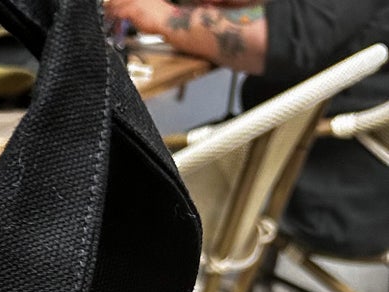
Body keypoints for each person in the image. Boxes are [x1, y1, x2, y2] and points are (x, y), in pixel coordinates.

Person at [103, 0, 389, 255]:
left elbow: (277, 41)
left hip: (333, 189)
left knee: (104, 173)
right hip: (347, 173)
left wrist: (154, 13)